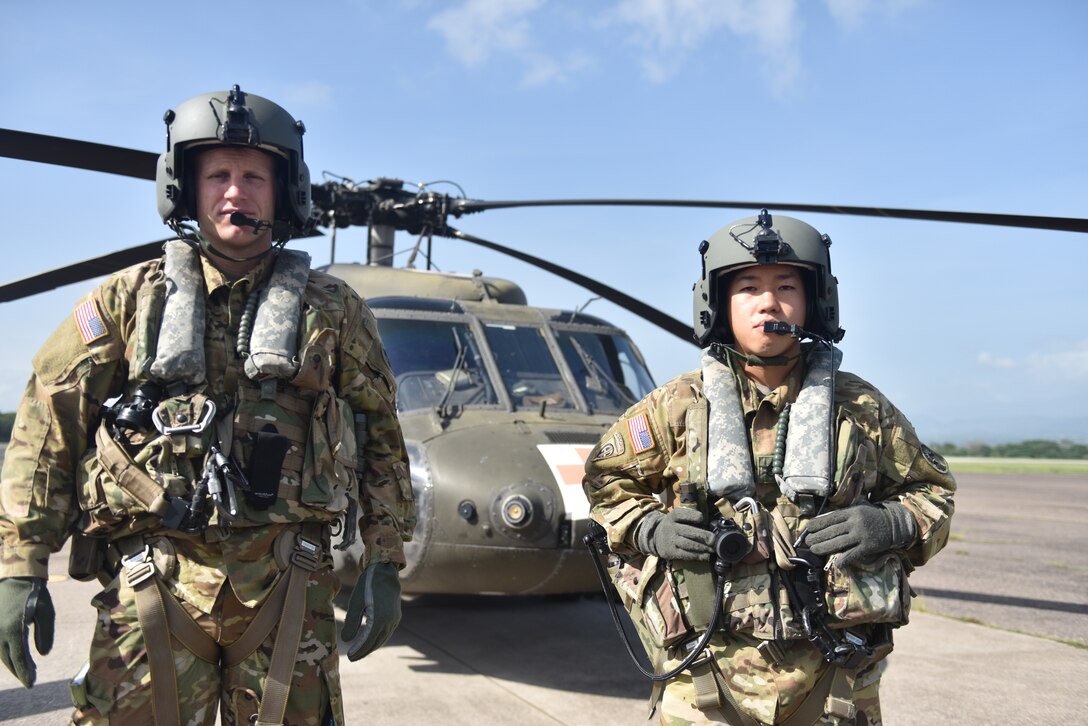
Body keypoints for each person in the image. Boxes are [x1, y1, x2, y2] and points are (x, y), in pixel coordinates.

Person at [0, 85, 415, 725]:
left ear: (284, 191)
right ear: (184, 188)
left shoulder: (333, 311)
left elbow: (382, 438)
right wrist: (20, 567)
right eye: (217, 174)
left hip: (289, 587)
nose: (234, 192)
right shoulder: (127, 299)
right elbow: (47, 428)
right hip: (151, 585)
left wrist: (385, 563)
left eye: (253, 176)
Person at [583, 210, 955, 725]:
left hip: (835, 675)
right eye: (748, 288)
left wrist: (887, 523)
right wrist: (650, 528)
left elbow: (933, 495)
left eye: (786, 286)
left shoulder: (863, 409)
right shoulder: (672, 407)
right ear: (716, 304)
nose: (768, 302)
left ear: (814, 302)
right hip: (705, 674)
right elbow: (605, 484)